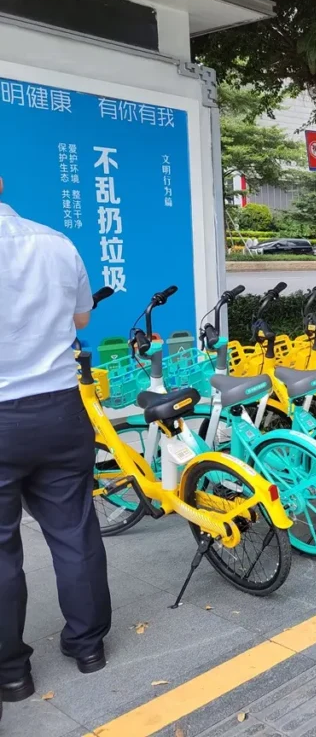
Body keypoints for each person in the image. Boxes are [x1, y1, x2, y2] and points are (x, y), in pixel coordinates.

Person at [0, 177, 112, 708]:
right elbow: (81, 317)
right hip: (61, 409)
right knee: (74, 530)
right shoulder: (55, 242)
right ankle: (89, 647)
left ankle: (12, 674)